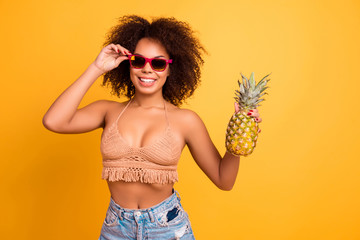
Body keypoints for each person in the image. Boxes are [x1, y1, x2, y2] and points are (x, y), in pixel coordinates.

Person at [42, 15, 262, 240]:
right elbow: (54, 121)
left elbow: (224, 180)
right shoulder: (108, 112)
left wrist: (237, 144)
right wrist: (97, 67)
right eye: (138, 61)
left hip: (167, 228)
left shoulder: (185, 120)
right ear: (129, 63)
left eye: (158, 63)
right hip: (116, 228)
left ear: (170, 69)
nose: (147, 69)